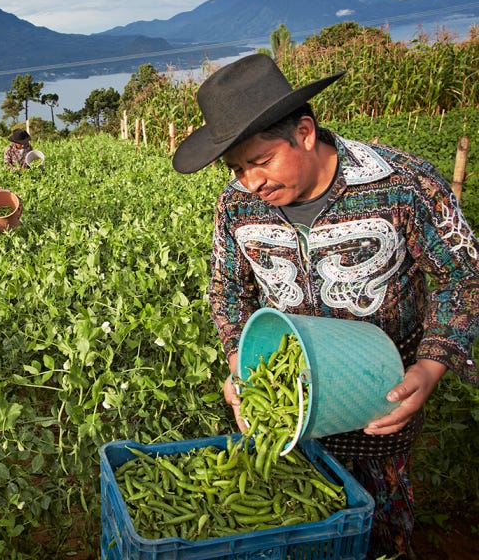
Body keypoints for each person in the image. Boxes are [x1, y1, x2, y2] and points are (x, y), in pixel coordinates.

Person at [172, 53, 479, 560]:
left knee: (378, 526)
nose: (251, 182)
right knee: (303, 519)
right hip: (288, 399)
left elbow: (461, 276)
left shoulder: (401, 184)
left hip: (379, 391)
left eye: (262, 161)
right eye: (236, 168)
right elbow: (227, 289)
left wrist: (430, 366)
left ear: (306, 133)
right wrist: (239, 363)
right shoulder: (236, 204)